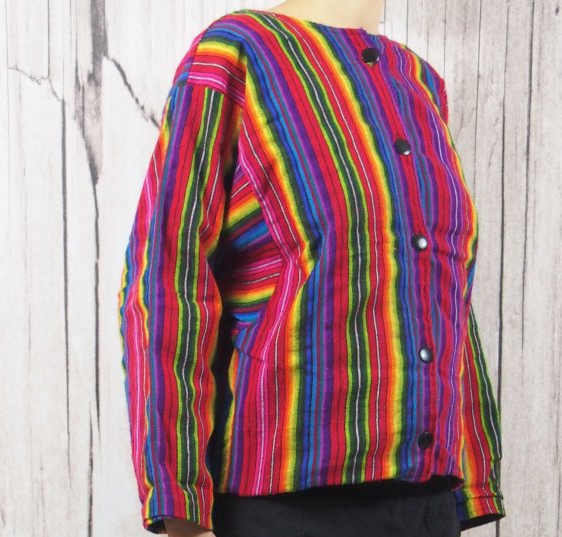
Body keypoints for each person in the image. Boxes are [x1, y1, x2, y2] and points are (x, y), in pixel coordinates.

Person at [117, 1, 506, 536]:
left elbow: (443, 290)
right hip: (283, 506)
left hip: (425, 504)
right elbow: (166, 272)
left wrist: (474, 473)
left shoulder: (420, 83)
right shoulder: (240, 53)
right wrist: (179, 502)